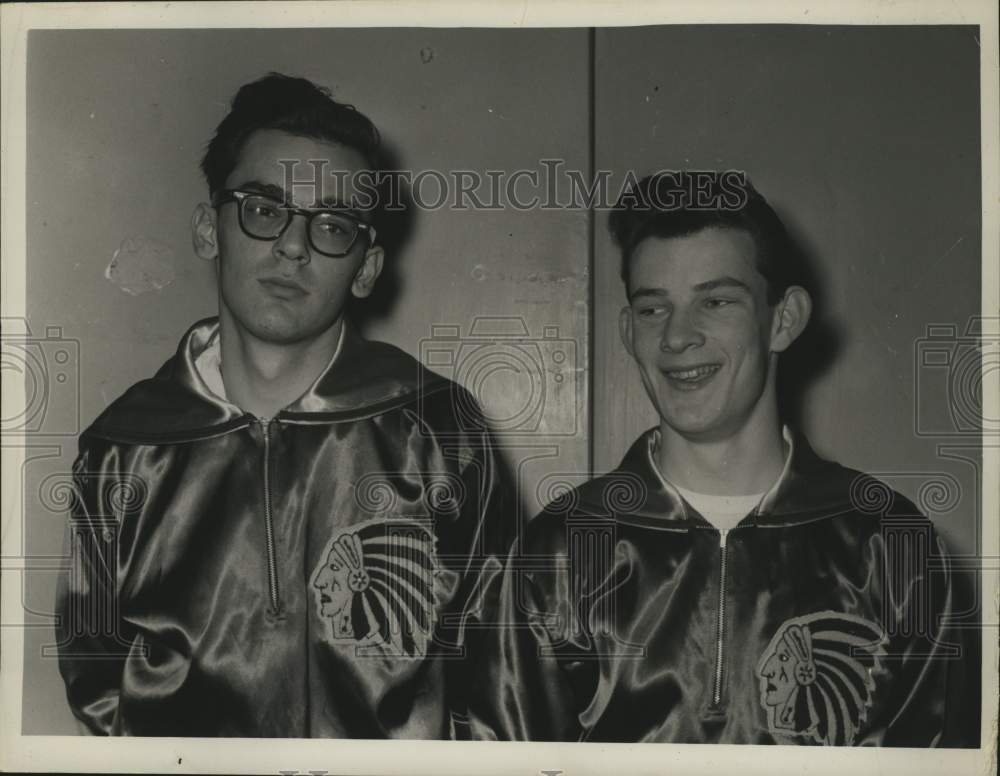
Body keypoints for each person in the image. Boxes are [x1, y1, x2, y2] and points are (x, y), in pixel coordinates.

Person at [56, 73, 510, 737]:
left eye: (331, 225)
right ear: (210, 229)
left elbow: (506, 683)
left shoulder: (437, 430)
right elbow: (97, 688)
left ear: (366, 267)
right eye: (264, 210)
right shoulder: (123, 449)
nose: (292, 247)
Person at [465, 172, 974, 746]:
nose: (679, 336)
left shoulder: (889, 545)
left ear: (782, 319)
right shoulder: (559, 552)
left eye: (716, 301)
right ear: (628, 331)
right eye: (654, 309)